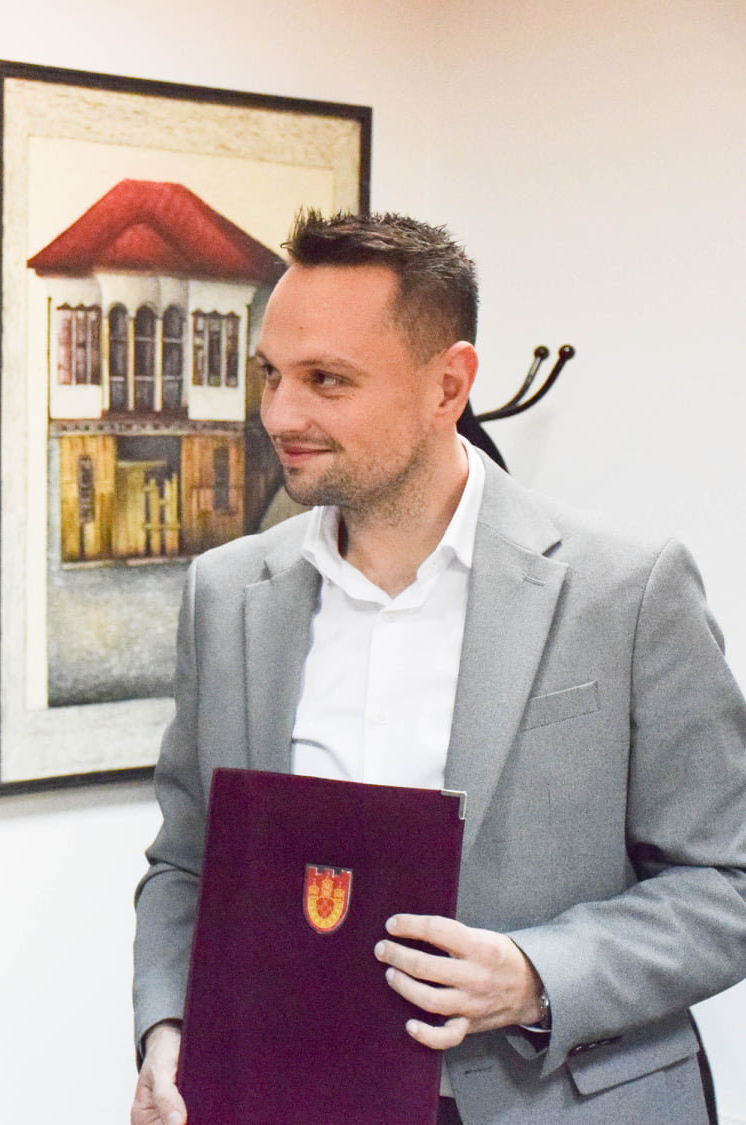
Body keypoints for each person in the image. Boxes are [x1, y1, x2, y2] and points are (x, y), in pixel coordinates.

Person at [130, 211, 746, 1124]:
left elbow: (727, 882)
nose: (281, 415)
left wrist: (535, 975)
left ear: (447, 385)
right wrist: (169, 1027)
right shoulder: (224, 595)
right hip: (293, 1097)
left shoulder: (627, 589)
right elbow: (187, 864)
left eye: (327, 379)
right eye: (271, 375)